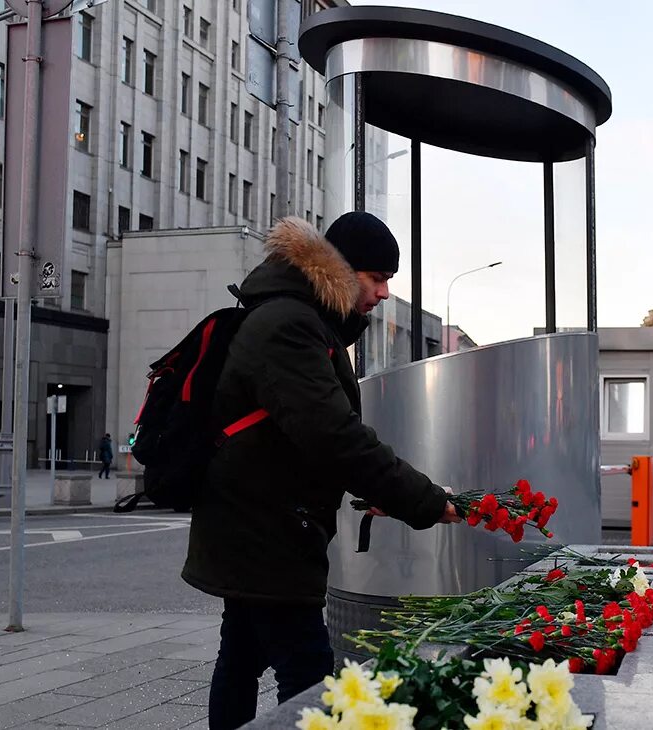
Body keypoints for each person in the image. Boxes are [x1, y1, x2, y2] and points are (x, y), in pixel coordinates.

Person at [183, 213, 462, 730]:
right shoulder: (290, 326)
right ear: (343, 270)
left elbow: (298, 438)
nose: (382, 294)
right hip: (266, 529)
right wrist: (421, 500)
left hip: (257, 521)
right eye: (377, 279)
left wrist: (374, 492)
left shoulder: (301, 320)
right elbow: (334, 437)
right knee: (309, 673)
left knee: (241, 657)